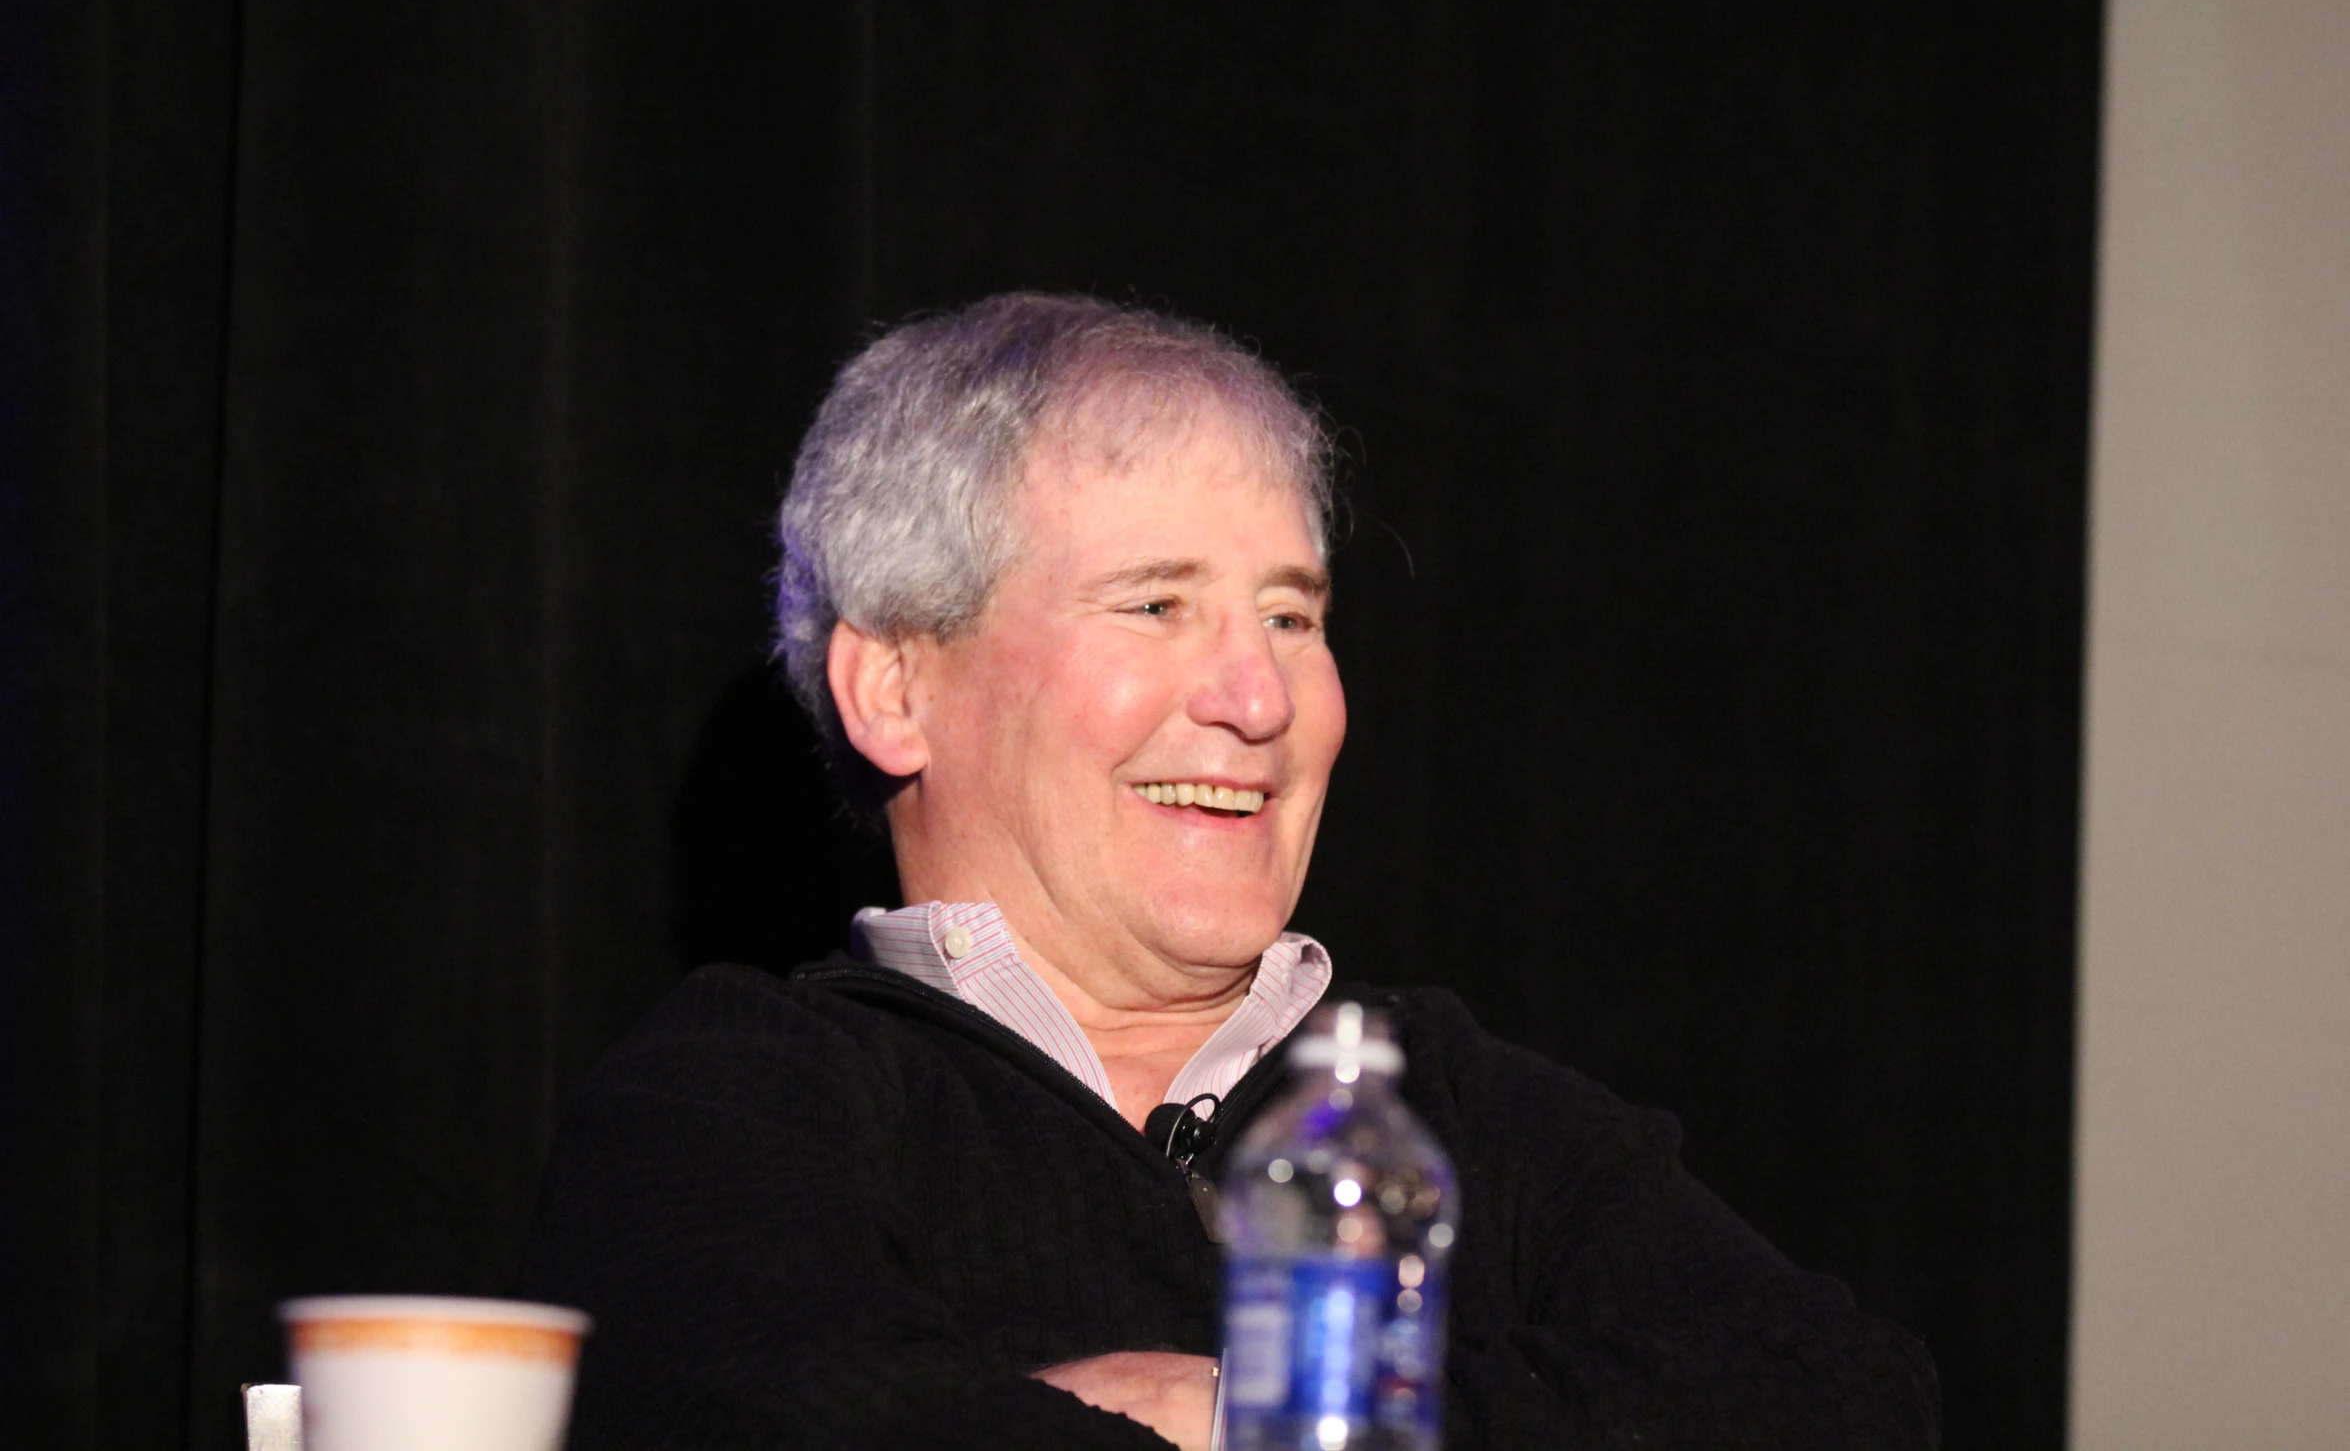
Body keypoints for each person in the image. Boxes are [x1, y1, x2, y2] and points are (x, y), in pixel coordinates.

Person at [513, 293, 1940, 1450]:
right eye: (1157, 604)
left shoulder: (1451, 1102)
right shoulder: (735, 1096)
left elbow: (1846, 1399)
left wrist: (1257, 1416)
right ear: (896, 685)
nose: (1260, 699)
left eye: (1290, 613)